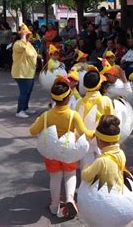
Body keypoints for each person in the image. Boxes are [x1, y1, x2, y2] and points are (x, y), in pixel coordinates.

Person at [30, 76, 94, 218]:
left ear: (52, 98)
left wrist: (38, 123)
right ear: (69, 97)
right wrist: (95, 131)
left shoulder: (46, 115)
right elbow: (86, 133)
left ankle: (54, 206)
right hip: (68, 150)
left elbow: (32, 131)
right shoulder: (73, 115)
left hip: (51, 152)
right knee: (70, 175)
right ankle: (70, 198)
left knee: (55, 177)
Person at [81, 114, 132, 197]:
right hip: (119, 195)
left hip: (105, 198)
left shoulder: (101, 161)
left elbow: (85, 176)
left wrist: (87, 165)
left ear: (99, 140)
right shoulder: (121, 154)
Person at [12, 25, 39, 118]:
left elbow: (32, 53)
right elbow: (22, 48)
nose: (29, 36)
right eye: (27, 35)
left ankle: (25, 108)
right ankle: (19, 111)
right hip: (22, 73)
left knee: (28, 91)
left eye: (28, 35)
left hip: (29, 72)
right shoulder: (18, 43)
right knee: (24, 92)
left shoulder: (28, 43)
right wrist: (23, 35)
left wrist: (38, 56)